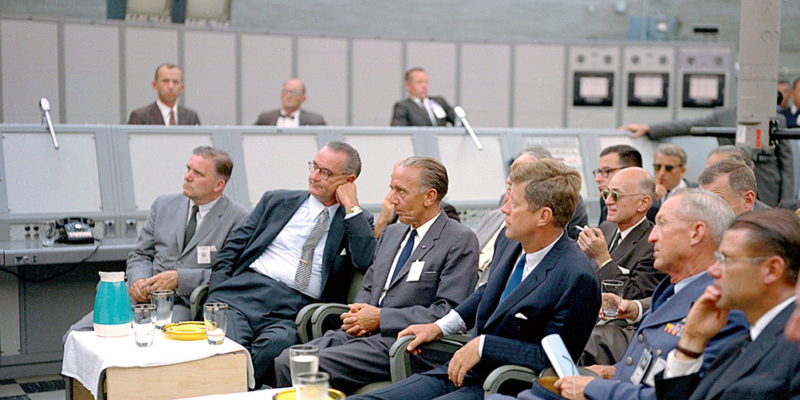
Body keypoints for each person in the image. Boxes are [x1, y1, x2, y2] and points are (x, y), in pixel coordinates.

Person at [350, 159, 601, 400]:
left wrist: (485, 346)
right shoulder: (509, 240)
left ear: (543, 216)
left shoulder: (577, 276)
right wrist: (439, 327)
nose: (503, 209)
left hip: (508, 386)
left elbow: (554, 360)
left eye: (513, 203)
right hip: (465, 368)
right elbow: (488, 292)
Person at [273, 156, 479, 393]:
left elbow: (448, 311)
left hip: (405, 343)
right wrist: (358, 314)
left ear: (430, 197)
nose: (391, 199)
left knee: (304, 367)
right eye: (391, 188)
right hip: (364, 333)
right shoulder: (393, 233)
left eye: (401, 191)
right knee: (286, 359)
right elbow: (370, 286)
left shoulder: (459, 240)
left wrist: (381, 317)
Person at [522, 189, 749, 400]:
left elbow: (680, 393)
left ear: (696, 233)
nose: (652, 237)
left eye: (662, 224)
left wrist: (594, 388)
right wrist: (612, 371)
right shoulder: (671, 291)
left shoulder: (720, 308)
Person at [205, 141, 376, 385]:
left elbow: (365, 261)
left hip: (293, 310)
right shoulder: (276, 201)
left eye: (325, 172)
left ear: (348, 181)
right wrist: (218, 294)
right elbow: (231, 250)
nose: (314, 176)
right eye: (314, 167)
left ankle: (238, 389)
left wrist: (351, 205)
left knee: (276, 350)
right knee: (230, 349)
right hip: (243, 295)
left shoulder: (355, 218)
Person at [64, 146, 248, 338]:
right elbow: (141, 254)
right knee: (76, 335)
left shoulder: (238, 219)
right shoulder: (163, 205)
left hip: (182, 303)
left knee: (157, 342)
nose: (187, 176)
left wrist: (180, 279)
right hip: (139, 296)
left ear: (218, 185)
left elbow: (232, 275)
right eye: (188, 169)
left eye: (198, 173)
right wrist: (138, 280)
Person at [654, 208, 800, 399]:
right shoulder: (741, 343)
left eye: (726, 259)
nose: (713, 271)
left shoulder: (793, 349)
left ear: (772, 270)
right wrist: (691, 341)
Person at [620, 105, 794, 207]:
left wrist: (786, 200)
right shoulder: (724, 116)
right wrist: (650, 129)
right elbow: (689, 125)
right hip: (729, 184)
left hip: (768, 188)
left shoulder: (776, 119)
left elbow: (787, 163)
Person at [577, 167, 666, 366]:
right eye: (607, 193)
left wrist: (604, 260)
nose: (607, 201)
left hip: (614, 331)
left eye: (616, 195)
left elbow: (633, 299)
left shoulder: (652, 244)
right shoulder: (607, 228)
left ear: (643, 203)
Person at [594, 145, 658, 225]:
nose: (597, 179)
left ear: (630, 171)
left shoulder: (652, 211)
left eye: (607, 171)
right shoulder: (605, 200)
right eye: (606, 195)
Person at [127, 63, 200, 125]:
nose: (170, 86)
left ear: (182, 87)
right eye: (165, 81)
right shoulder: (140, 117)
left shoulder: (191, 117)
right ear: (154, 85)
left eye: (175, 82)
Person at [697, 159, 769, 216]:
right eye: (702, 204)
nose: (705, 214)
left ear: (747, 200)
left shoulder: (773, 231)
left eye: (717, 203)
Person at [390, 67, 456, 127]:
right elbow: (399, 130)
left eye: (426, 82)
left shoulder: (439, 102)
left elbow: (457, 120)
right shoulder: (403, 106)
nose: (424, 86)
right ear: (408, 85)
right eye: (419, 82)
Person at [254, 78, 326, 126]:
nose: (289, 96)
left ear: (304, 98)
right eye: (285, 91)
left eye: (294, 92)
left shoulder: (315, 121)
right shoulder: (265, 119)